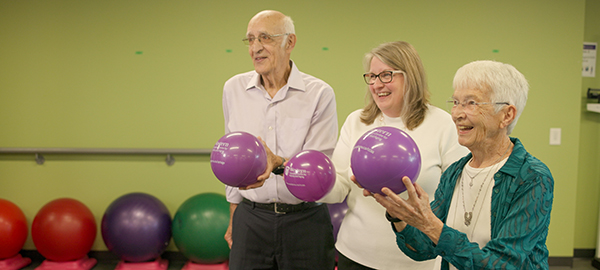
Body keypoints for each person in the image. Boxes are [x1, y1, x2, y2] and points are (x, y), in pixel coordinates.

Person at [370, 60, 554, 269]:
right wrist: (398, 215)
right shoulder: (456, 172)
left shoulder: (531, 177)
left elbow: (502, 264)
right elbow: (423, 249)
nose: (456, 114)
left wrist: (432, 226)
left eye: (471, 103)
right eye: (456, 102)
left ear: (506, 115)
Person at [319, 41, 468, 269]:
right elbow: (338, 184)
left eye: (386, 75)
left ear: (411, 76)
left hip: (416, 260)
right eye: (372, 76)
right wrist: (313, 185)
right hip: (355, 254)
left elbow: (460, 195)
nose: (377, 84)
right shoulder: (357, 121)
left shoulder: (443, 124)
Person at [221, 10, 338, 270]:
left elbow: (319, 168)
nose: (255, 48)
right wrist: (234, 214)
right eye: (250, 39)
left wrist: (277, 164)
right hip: (250, 218)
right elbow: (231, 158)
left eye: (265, 38)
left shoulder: (319, 93)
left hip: (305, 221)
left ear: (290, 42)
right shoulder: (233, 89)